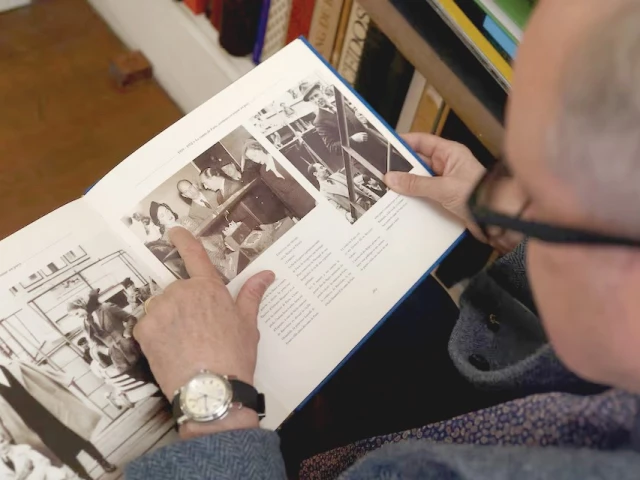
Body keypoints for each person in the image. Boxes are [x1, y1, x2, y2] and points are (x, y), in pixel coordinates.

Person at [126, 0, 640, 478]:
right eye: (509, 168)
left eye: (535, 193)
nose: (499, 198)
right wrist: (521, 231)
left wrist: (214, 406)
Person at [0, 362, 116, 479]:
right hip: (29, 425)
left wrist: (64, 379)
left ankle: (102, 461)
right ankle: (84, 475)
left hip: (48, 410)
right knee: (60, 451)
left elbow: (41, 373)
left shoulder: (14, 366)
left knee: (77, 436)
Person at [302, 82, 409, 175]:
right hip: (367, 160)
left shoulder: (340, 103)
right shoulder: (319, 121)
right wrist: (352, 139)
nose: (316, 100)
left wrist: (364, 119)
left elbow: (356, 121)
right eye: (312, 99)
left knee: (406, 168)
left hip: (379, 147)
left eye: (316, 95)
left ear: (321, 91)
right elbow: (332, 147)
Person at [148, 201, 237, 281]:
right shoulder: (167, 238)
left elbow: (203, 233)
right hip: (205, 262)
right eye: (162, 215)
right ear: (159, 222)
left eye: (167, 211)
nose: (168, 215)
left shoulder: (184, 219)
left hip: (215, 245)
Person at [68, 290, 140, 373]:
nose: (79, 316)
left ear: (82, 305)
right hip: (119, 360)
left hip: (132, 348)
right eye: (76, 316)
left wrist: (127, 333)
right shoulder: (85, 324)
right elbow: (95, 343)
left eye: (77, 313)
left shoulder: (106, 308)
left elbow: (131, 318)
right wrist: (107, 351)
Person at [308, 163, 378, 221]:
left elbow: (359, 187)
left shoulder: (337, 176)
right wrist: (348, 216)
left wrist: (375, 197)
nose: (325, 168)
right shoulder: (323, 193)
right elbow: (338, 208)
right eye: (321, 168)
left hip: (370, 201)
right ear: (316, 174)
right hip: (360, 212)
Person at [0, 430, 77, 480]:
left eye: (2, 441)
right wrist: (22, 475)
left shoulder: (22, 449)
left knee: (54, 473)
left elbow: (43, 462)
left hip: (39, 477)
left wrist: (33, 476)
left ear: (7, 440)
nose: (2, 446)